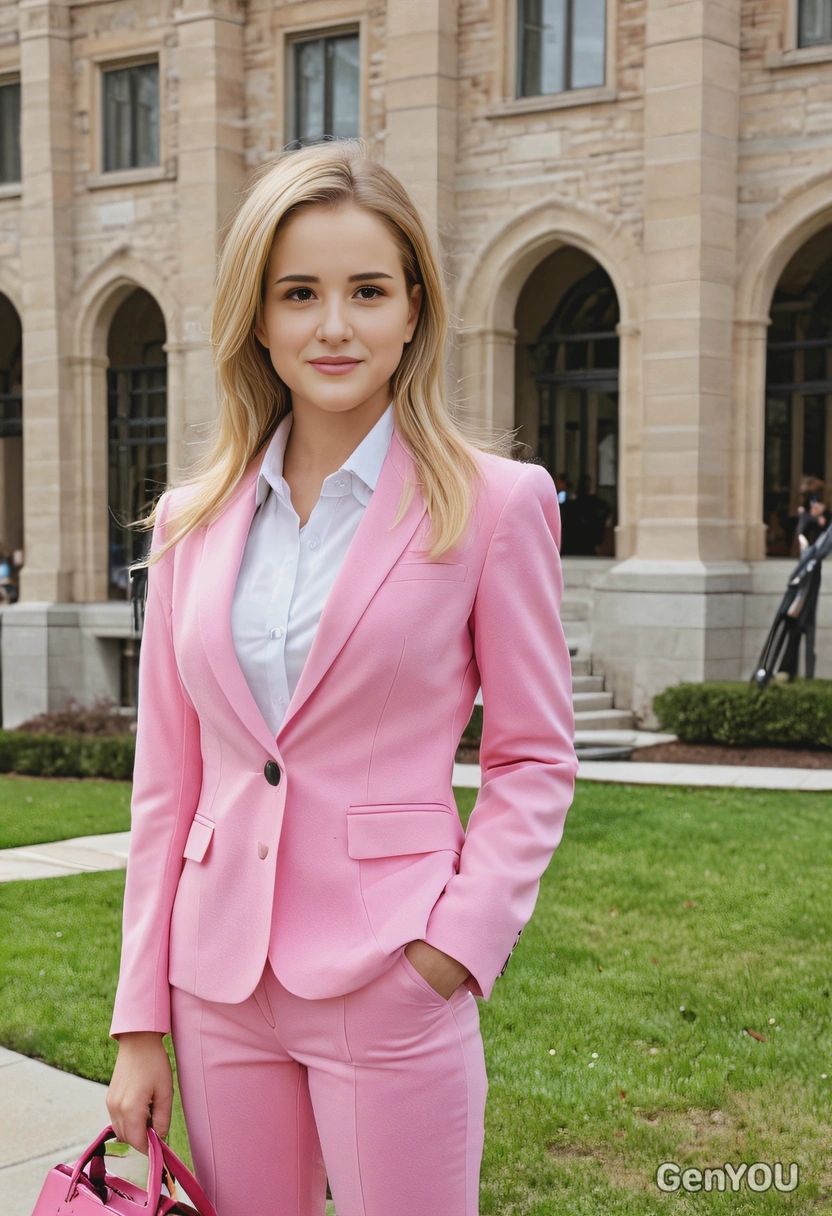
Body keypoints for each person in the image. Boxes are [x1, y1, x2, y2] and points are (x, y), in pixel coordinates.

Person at [105, 139, 578, 1216]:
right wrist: (141, 1020)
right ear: (258, 318)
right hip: (218, 985)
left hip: (390, 973)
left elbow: (533, 757)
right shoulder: (191, 521)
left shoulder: (494, 504)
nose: (333, 324)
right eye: (299, 293)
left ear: (414, 307)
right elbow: (164, 788)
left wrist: (453, 949)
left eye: (367, 290)